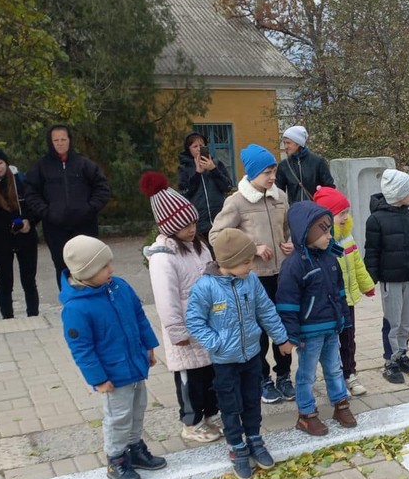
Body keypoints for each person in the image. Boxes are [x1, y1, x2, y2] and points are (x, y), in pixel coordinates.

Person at [186, 228, 295, 479]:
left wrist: (281, 338)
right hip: (225, 361)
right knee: (230, 404)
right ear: (228, 262)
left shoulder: (251, 281)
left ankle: (255, 438)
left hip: (252, 356)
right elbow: (194, 321)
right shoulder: (206, 287)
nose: (251, 265)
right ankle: (236, 445)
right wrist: (216, 343)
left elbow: (266, 310)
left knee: (251, 399)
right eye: (246, 261)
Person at [59, 235, 165, 479]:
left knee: (137, 410)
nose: (112, 269)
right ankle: (116, 458)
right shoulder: (76, 309)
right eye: (104, 267)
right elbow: (81, 348)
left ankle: (134, 448)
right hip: (113, 376)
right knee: (118, 417)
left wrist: (148, 345)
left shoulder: (119, 287)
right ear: (86, 272)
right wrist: (98, 379)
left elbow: (138, 315)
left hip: (135, 365)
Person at [141, 171, 223, 445]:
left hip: (208, 325)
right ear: (168, 226)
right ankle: (191, 422)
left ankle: (209, 416)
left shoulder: (198, 246)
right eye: (185, 225)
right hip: (185, 332)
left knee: (209, 376)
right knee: (191, 381)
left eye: (193, 222)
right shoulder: (163, 258)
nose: (191, 229)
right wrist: (177, 332)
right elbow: (166, 300)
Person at [210, 143, 295, 403]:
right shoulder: (235, 201)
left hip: (283, 274)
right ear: (252, 173)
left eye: (274, 171)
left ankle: (284, 376)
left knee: (284, 325)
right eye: (267, 172)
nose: (272, 177)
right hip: (253, 278)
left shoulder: (280, 197)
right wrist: (252, 248)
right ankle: (262, 380)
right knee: (258, 331)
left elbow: (287, 229)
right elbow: (216, 237)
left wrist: (290, 243)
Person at [276, 201, 357, 435]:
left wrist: (343, 319)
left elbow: (340, 291)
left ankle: (340, 404)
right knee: (307, 374)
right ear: (306, 233)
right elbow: (287, 304)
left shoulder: (330, 258)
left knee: (334, 367)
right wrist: (289, 335)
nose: (329, 236)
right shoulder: (294, 265)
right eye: (323, 231)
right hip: (308, 333)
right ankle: (306, 413)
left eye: (329, 230)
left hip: (331, 329)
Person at [25, 124, 111, 290]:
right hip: (55, 227)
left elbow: (102, 188)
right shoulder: (41, 167)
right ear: (50, 142)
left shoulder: (85, 164)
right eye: (55, 140)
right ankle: (70, 302)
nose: (60, 143)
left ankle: (93, 299)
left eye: (63, 139)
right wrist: (47, 212)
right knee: (63, 268)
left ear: (69, 140)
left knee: (90, 265)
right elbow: (31, 193)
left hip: (85, 225)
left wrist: (90, 208)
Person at [364, 169, 409, 385]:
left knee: (406, 321)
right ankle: (390, 360)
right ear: (399, 194)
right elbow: (372, 251)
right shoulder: (376, 220)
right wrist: (369, 278)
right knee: (392, 321)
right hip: (391, 279)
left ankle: (402, 353)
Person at [313, 185, 375, 397]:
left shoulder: (348, 238)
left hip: (347, 300)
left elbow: (357, 264)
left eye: (346, 212)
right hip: (329, 302)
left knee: (349, 339)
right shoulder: (320, 243)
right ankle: (335, 377)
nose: (345, 217)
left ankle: (350, 373)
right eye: (341, 213)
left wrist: (366, 285)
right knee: (331, 342)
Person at [0, 148, 39, 319]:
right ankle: (7, 318)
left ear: (6, 163)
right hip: (0, 242)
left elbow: (34, 205)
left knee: (29, 281)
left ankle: (33, 315)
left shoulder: (21, 181)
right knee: (5, 283)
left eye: (0, 162)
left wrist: (29, 221)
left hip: (26, 237)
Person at [176, 131, 233, 244]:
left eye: (201, 146)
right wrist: (197, 173)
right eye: (195, 146)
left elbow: (227, 186)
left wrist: (213, 169)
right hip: (199, 221)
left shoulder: (216, 163)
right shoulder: (184, 168)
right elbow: (185, 192)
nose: (198, 149)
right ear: (189, 149)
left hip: (219, 218)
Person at [275, 125, 335, 204]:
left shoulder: (318, 162)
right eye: (284, 143)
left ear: (298, 143)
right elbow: (278, 192)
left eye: (288, 143)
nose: (285, 146)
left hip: (316, 210)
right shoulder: (284, 165)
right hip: (296, 211)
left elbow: (329, 188)